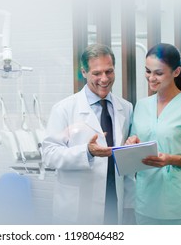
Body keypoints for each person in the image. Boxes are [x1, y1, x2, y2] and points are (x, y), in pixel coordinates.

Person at [42, 43, 135, 225]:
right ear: (84, 72)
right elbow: (49, 155)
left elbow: (126, 165)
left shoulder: (125, 107)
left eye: (109, 71)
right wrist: (87, 152)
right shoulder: (64, 109)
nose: (104, 79)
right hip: (78, 206)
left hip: (114, 200)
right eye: (97, 73)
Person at [126, 43, 181, 225]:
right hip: (145, 203)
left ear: (176, 71)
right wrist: (132, 143)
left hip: (179, 207)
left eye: (158, 73)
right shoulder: (141, 105)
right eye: (148, 71)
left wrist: (171, 159)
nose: (151, 78)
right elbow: (136, 142)